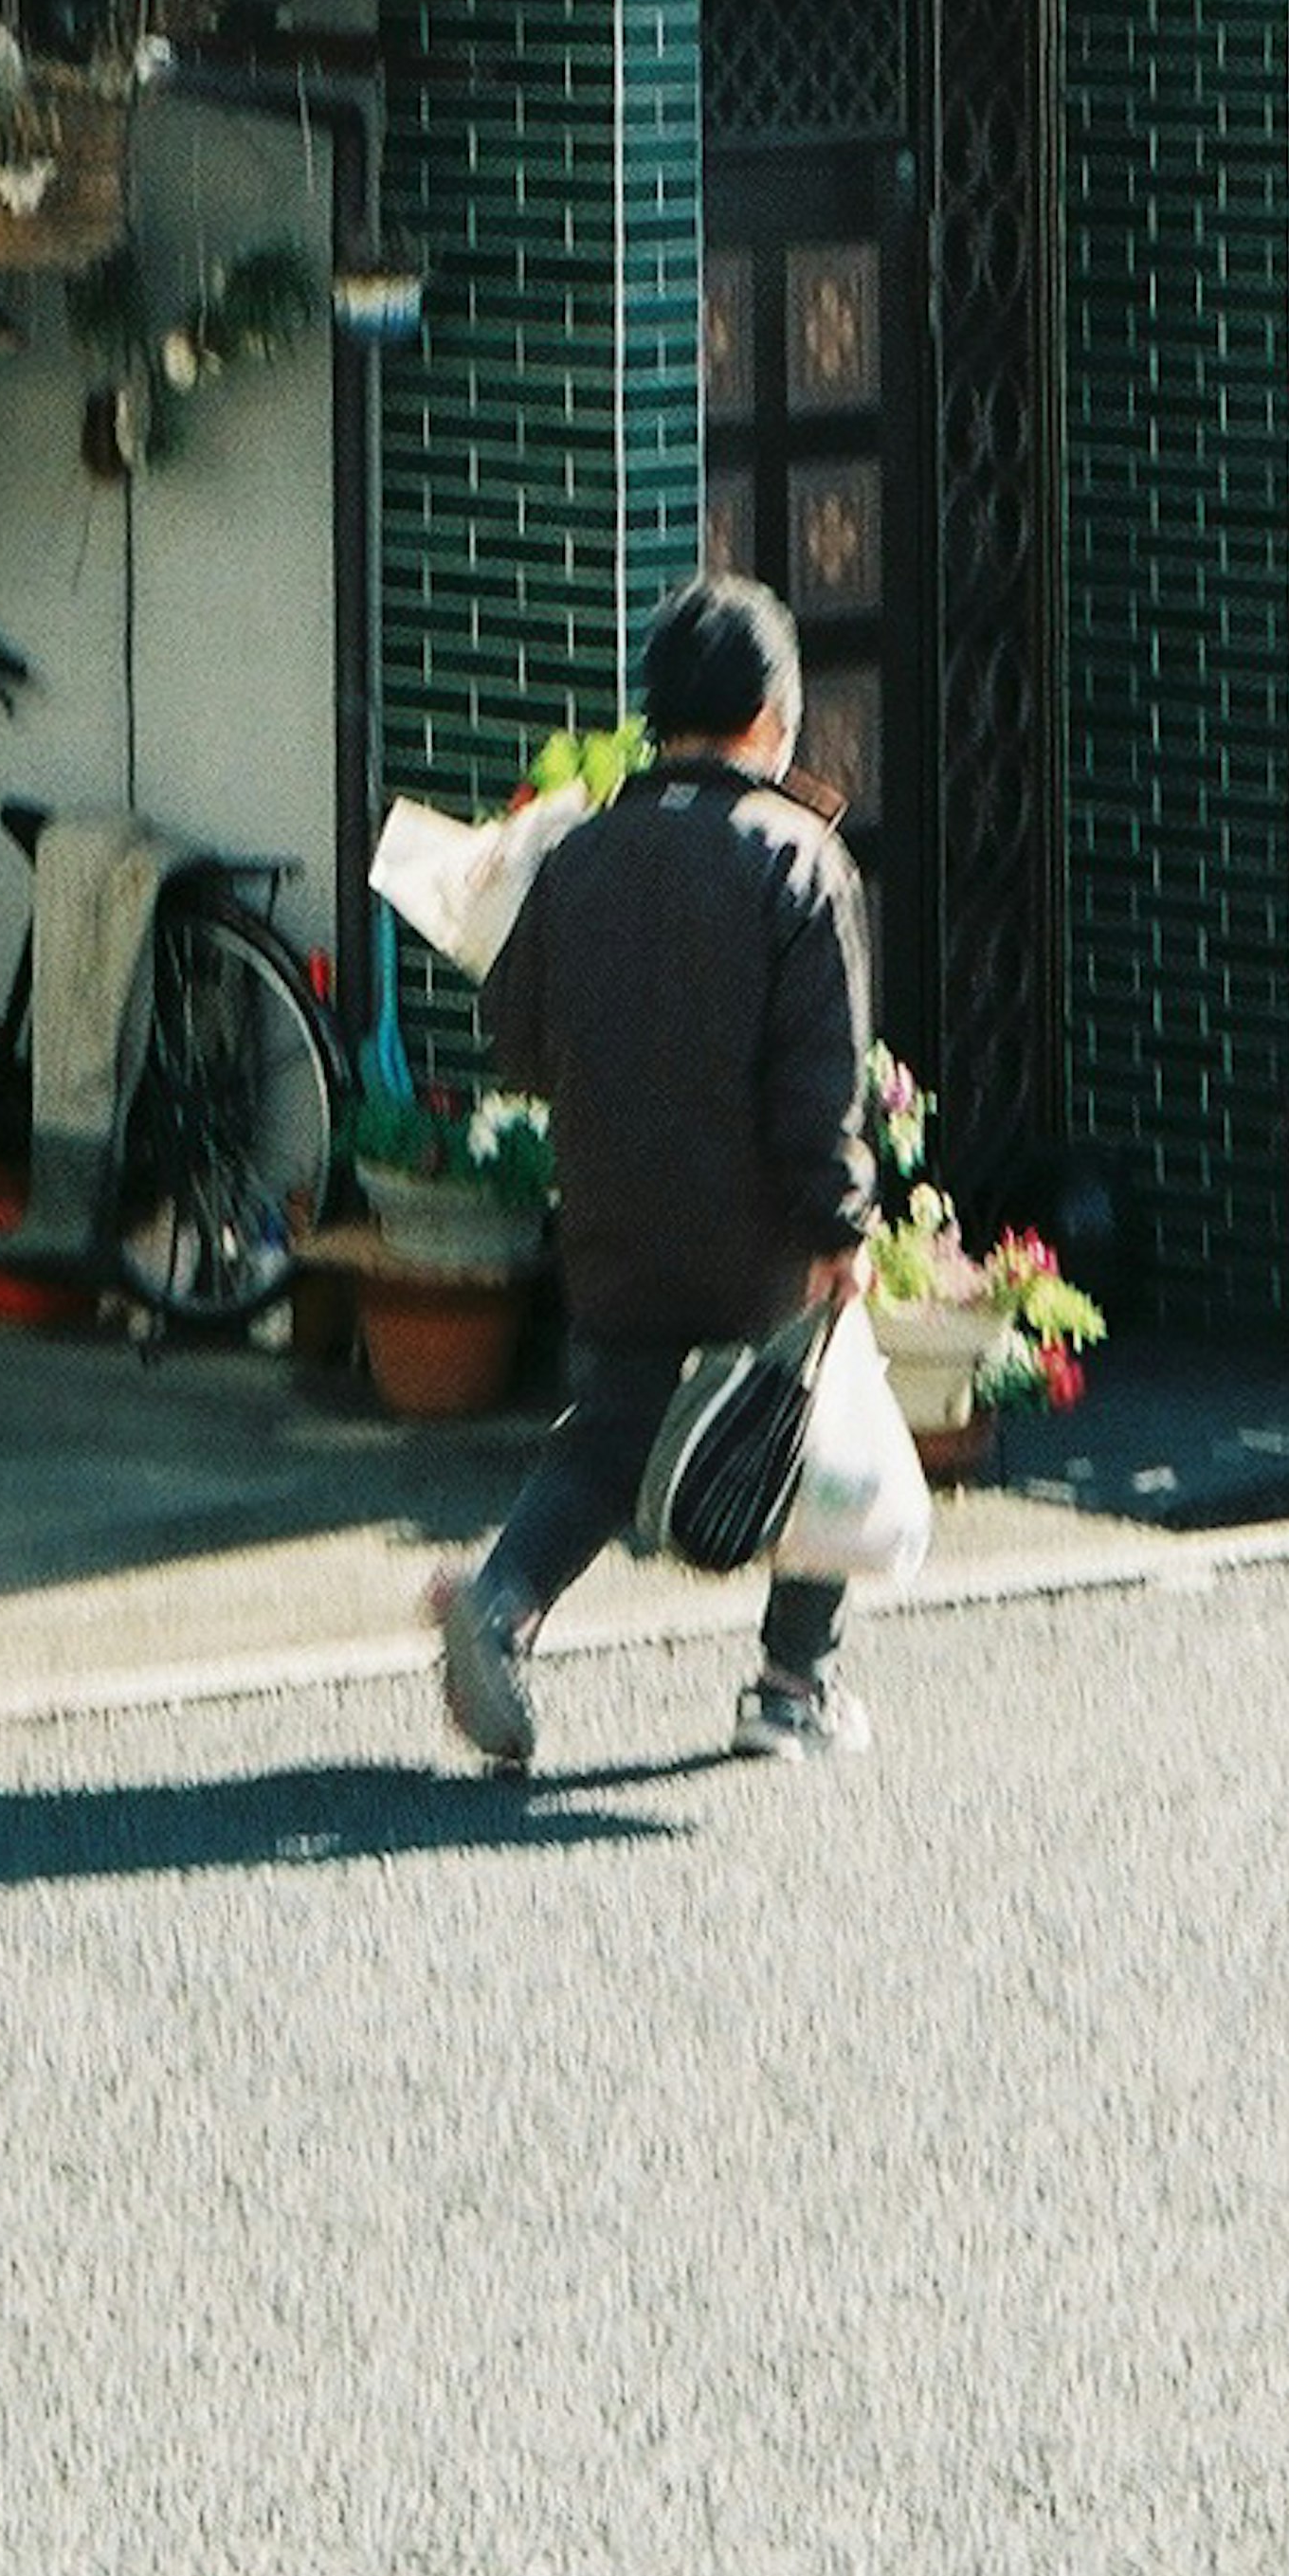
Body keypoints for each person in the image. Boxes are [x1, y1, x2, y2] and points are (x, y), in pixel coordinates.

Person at [436, 570, 875, 1770]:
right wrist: (842, 1228)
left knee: (603, 1440)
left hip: (615, 1213)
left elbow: (518, 1043)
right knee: (808, 1433)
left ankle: (500, 1608)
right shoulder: (800, 860)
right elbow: (818, 1079)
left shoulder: (581, 857)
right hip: (758, 1238)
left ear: (656, 717)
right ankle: (791, 1686)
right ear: (774, 719)